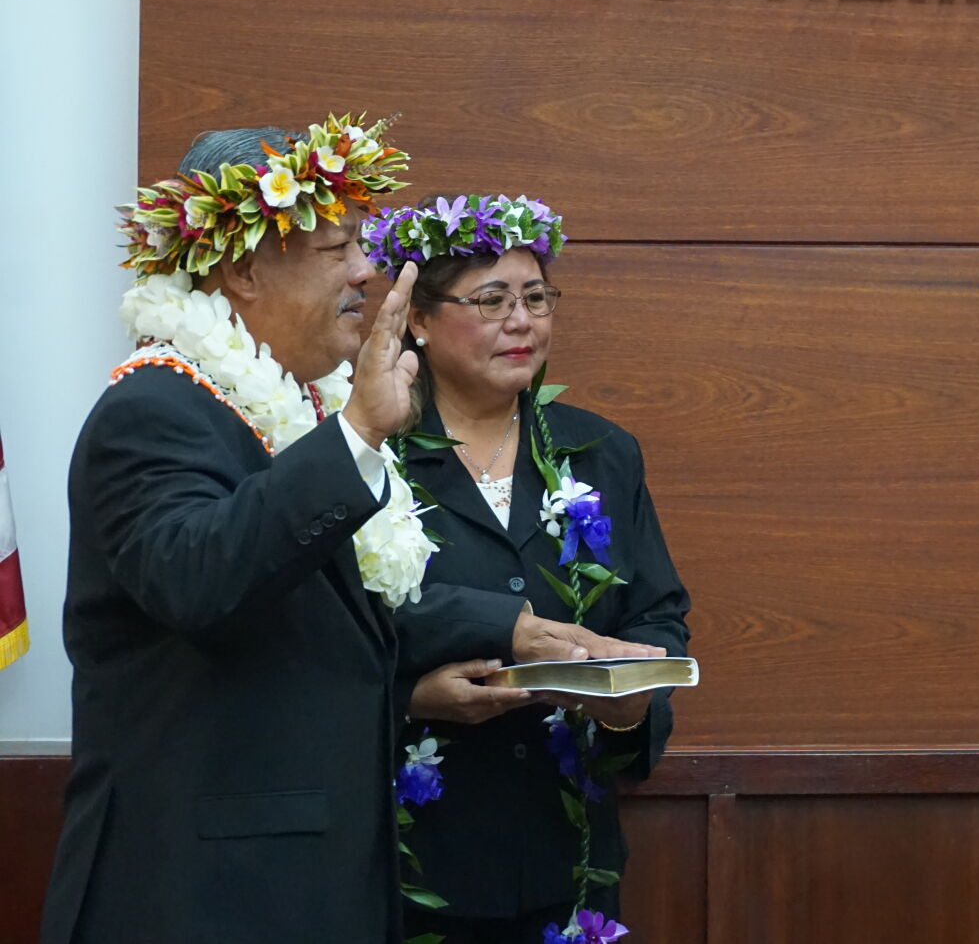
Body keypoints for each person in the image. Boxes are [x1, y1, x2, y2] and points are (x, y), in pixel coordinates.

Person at [43, 115, 433, 942]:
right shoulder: (150, 410)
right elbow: (201, 576)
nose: (367, 270)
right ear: (246, 269)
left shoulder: (294, 413)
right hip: (201, 897)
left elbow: (336, 601)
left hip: (303, 888)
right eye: (339, 249)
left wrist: (517, 631)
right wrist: (359, 430)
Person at [361, 194, 691, 943]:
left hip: (564, 860)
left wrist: (632, 703)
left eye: (536, 297)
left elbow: (657, 615)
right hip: (410, 856)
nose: (522, 321)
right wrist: (409, 699)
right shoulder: (367, 455)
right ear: (417, 317)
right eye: (492, 299)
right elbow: (323, 635)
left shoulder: (601, 451)